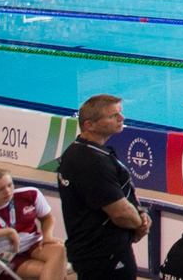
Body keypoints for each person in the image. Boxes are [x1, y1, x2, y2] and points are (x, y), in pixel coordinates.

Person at [56, 94, 146, 280]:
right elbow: (120, 213)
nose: (121, 118)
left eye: (120, 113)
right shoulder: (90, 162)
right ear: (89, 125)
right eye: (113, 116)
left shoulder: (81, 151)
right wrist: (141, 224)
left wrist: (139, 213)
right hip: (103, 254)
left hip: (95, 249)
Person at [0, 165, 64, 280]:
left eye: (10, 185)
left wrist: (48, 236)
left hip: (32, 244)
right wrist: (7, 231)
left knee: (60, 250)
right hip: (2, 258)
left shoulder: (30, 194)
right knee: (52, 271)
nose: (8, 191)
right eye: (0, 190)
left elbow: (47, 218)